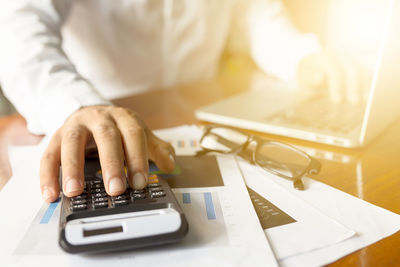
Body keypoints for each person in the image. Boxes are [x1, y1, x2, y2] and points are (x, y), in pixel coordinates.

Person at [0, 0, 360, 203]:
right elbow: (17, 31)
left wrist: (301, 56)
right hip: (93, 125)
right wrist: (74, 103)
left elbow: (254, 14)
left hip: (204, 121)